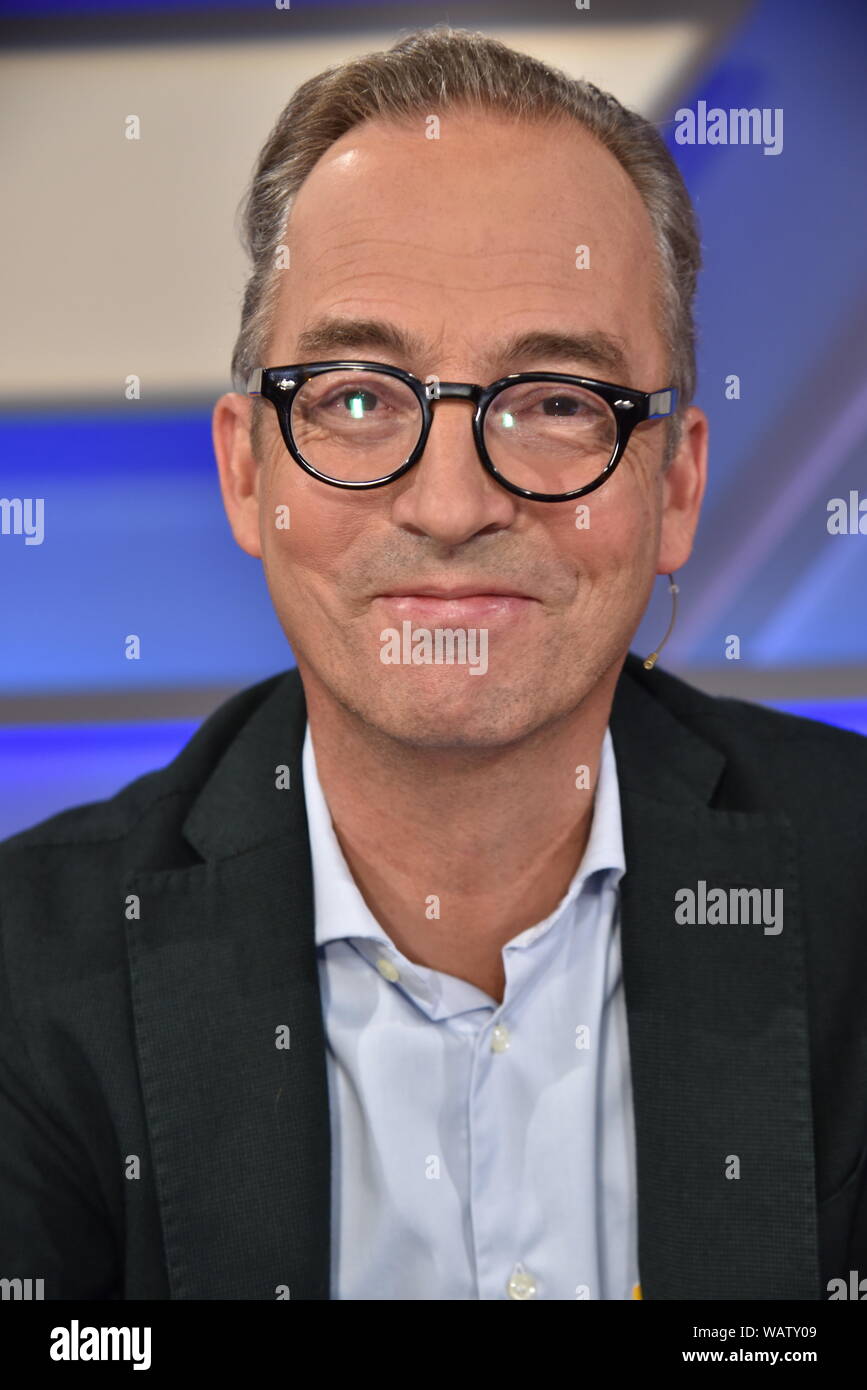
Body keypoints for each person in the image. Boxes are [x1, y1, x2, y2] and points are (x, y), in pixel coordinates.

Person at [1, 26, 865, 1302]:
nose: (452, 503)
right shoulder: (27, 974)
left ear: (677, 487)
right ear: (247, 472)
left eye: (559, 400)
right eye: (357, 396)